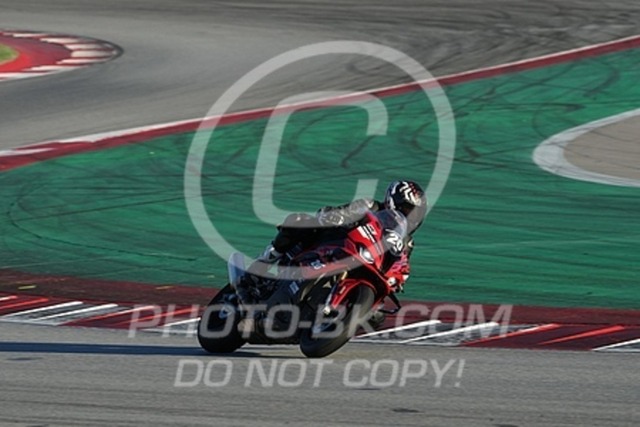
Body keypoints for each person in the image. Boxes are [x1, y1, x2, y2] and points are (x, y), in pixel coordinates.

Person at [236, 180, 427, 308]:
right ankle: (263, 263)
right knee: (299, 222)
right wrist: (335, 216)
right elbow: (345, 211)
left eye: (415, 213)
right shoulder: (371, 207)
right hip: (339, 243)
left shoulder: (406, 243)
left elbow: (401, 265)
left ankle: (327, 315)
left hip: (368, 266)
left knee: (377, 314)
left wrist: (399, 278)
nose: (409, 216)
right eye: (407, 209)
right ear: (393, 200)